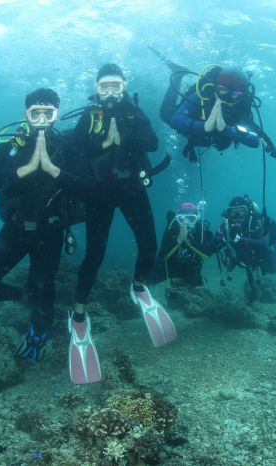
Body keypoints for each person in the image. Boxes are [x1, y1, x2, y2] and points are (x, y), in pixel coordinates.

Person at [67, 63, 177, 384]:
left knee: (149, 246)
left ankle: (139, 285)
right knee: (94, 256)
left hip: (131, 189)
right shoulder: (89, 117)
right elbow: (72, 153)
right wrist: (103, 143)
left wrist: (126, 136)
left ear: (124, 86)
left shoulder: (133, 112)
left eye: (115, 86)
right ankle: (78, 316)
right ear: (96, 89)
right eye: (105, 87)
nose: (111, 92)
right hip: (99, 195)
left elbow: (153, 143)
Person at [0, 88, 77, 363]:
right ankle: (25, 296)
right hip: (15, 230)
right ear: (26, 115)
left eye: (48, 113)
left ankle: (39, 333)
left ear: (56, 115)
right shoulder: (8, 149)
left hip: (50, 232)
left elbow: (86, 187)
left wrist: (54, 170)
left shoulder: (67, 147)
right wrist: (24, 169)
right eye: (35, 113)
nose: (41, 119)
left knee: (43, 288)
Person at [153, 50, 276, 162]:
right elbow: (176, 119)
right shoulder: (206, 94)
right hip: (196, 123)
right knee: (166, 113)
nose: (227, 98)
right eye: (223, 90)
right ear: (216, 87)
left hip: (211, 137)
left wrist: (225, 129)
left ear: (241, 97)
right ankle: (178, 75)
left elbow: (254, 141)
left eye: (234, 95)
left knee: (218, 141)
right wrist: (204, 127)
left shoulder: (239, 108)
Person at [215, 195, 276, 301]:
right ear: (228, 214)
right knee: (248, 265)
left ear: (248, 212)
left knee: (272, 269)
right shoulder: (227, 227)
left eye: (241, 212)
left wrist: (239, 239)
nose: (237, 216)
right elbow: (217, 242)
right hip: (246, 259)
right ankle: (253, 293)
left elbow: (263, 244)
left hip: (262, 253)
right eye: (233, 212)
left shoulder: (255, 222)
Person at [149, 202, 219, 287]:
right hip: (168, 265)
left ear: (196, 218)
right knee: (149, 280)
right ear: (177, 218)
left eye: (191, 219)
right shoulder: (173, 227)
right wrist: (178, 240)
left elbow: (206, 255)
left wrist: (189, 243)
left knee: (197, 289)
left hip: (190, 268)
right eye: (182, 219)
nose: (186, 222)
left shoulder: (199, 230)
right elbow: (163, 254)